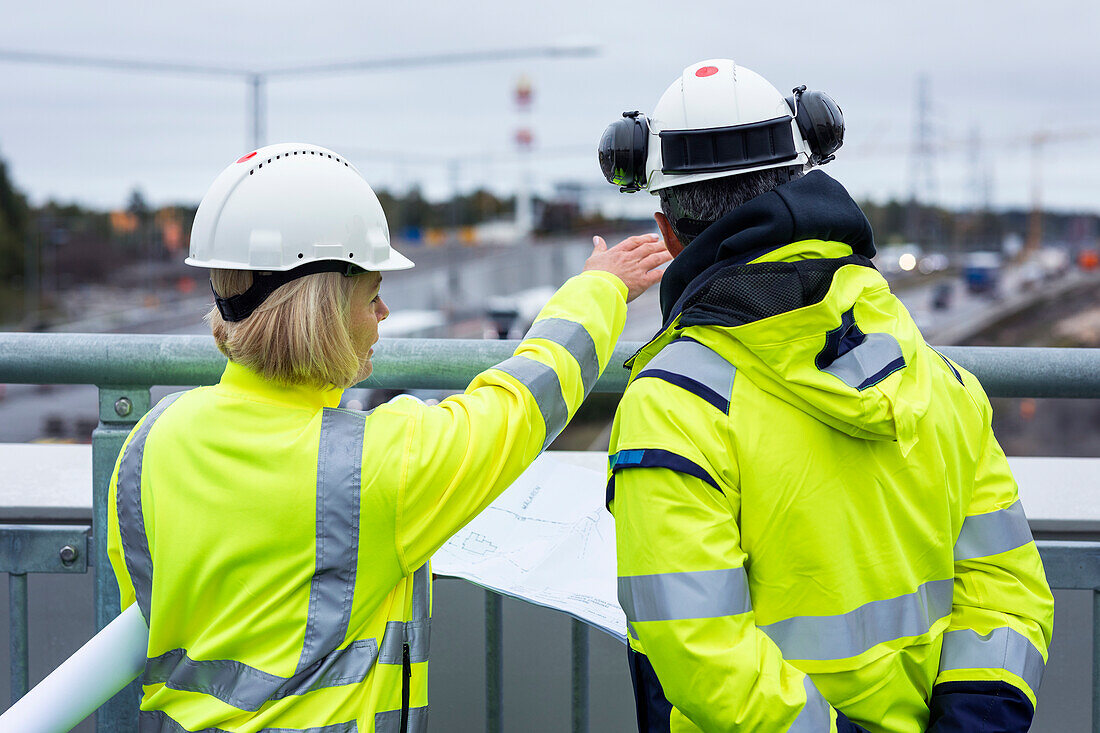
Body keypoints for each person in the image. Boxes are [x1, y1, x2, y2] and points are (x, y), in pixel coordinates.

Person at [106, 142, 670, 732]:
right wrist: (599, 290)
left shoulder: (151, 440)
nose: (385, 313)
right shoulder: (370, 467)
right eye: (372, 293)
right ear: (321, 312)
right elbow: (523, 402)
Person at [599, 60, 1054, 732]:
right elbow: (1006, 588)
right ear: (803, 177)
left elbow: (698, 651)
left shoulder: (671, 406)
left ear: (668, 233)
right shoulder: (935, 376)